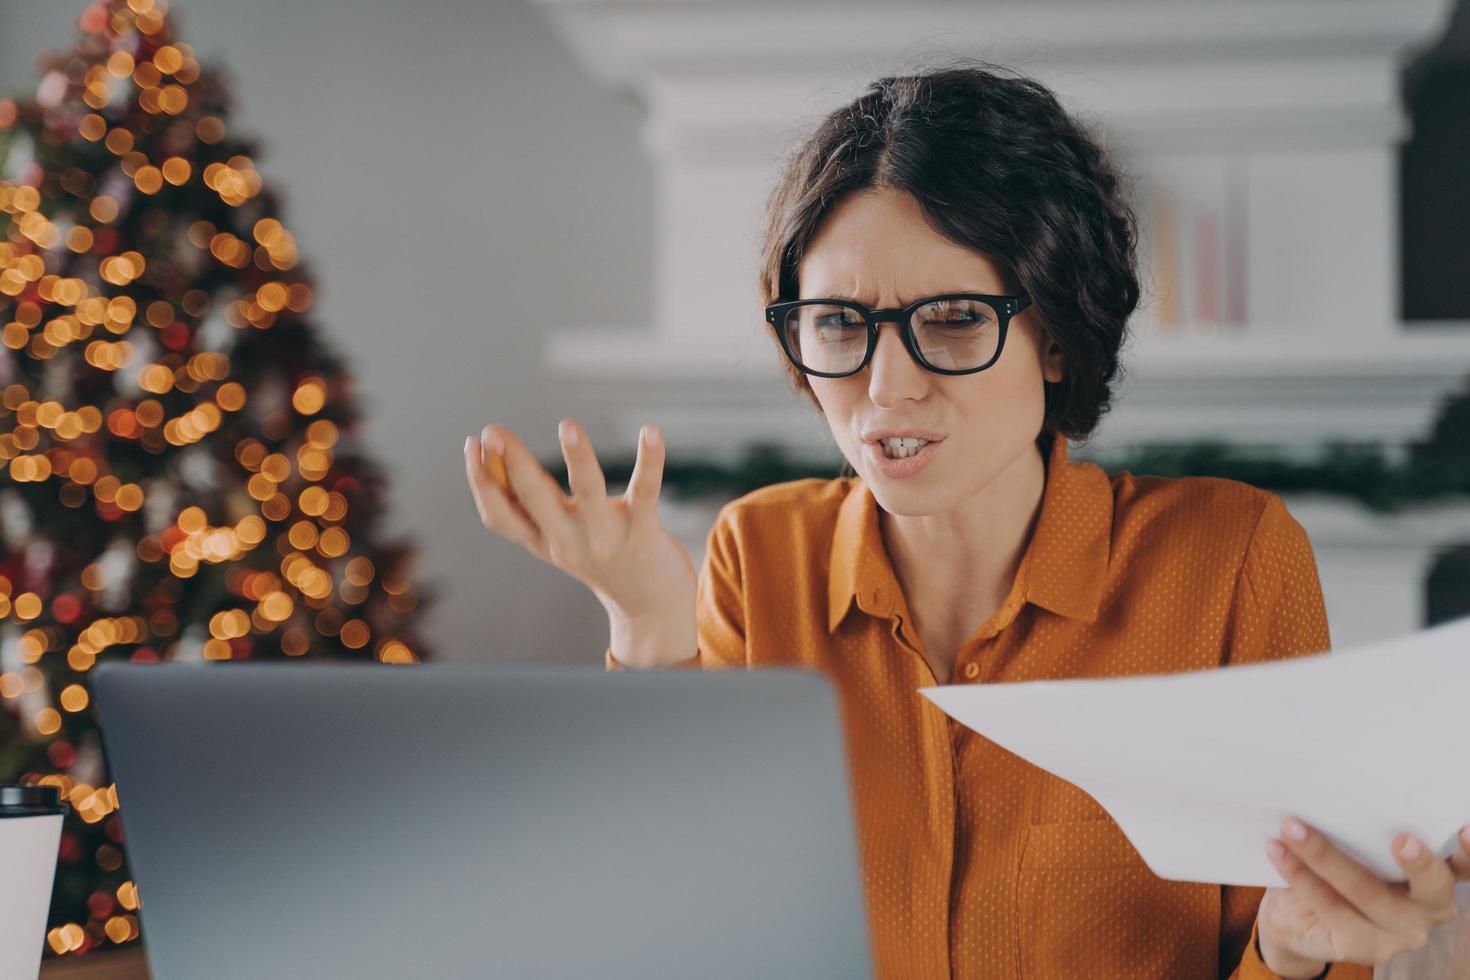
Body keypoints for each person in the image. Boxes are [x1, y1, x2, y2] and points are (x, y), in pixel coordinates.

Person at [463, 63, 1469, 979]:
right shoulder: (758, 554)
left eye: (951, 320)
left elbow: (1298, 934)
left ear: (1058, 339)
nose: (884, 388)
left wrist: (1291, 952)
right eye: (839, 327)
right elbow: (681, 920)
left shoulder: (1231, 560)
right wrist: (645, 618)